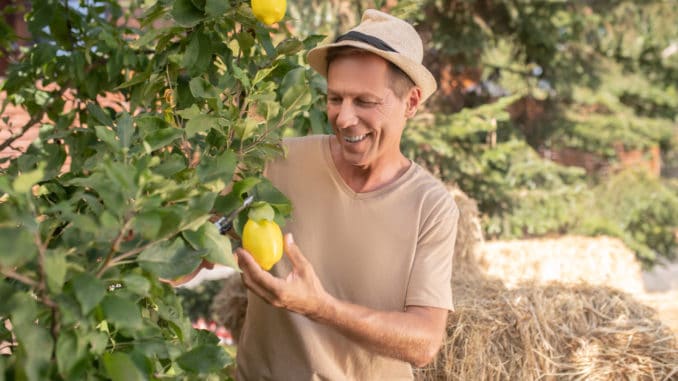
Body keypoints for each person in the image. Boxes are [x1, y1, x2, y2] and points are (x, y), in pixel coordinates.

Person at [233, 9, 459, 380]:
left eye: (364, 102)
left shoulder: (430, 207)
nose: (343, 118)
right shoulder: (277, 162)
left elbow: (425, 342)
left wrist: (321, 308)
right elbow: (195, 245)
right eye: (336, 98)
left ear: (412, 103)